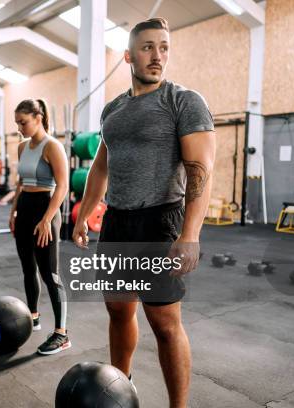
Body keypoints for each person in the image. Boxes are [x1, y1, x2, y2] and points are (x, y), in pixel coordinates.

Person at [72, 18, 216, 407]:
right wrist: (84, 214)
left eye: (164, 47)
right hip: (117, 222)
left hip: (160, 220)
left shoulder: (183, 101)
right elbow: (102, 165)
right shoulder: (112, 111)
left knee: (165, 324)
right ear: (128, 56)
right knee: (118, 310)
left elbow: (199, 171)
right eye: (149, 47)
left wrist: (190, 235)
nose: (158, 56)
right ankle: (119, 389)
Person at [9, 99, 71, 355]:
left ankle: (62, 333)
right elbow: (21, 183)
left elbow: (63, 186)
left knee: (50, 274)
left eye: (23, 122)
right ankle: (33, 316)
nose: (20, 128)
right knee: (27, 268)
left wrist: (46, 219)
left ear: (38, 117)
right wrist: (13, 210)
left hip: (45, 208)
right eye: (17, 123)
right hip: (25, 207)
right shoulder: (23, 148)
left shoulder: (53, 147)